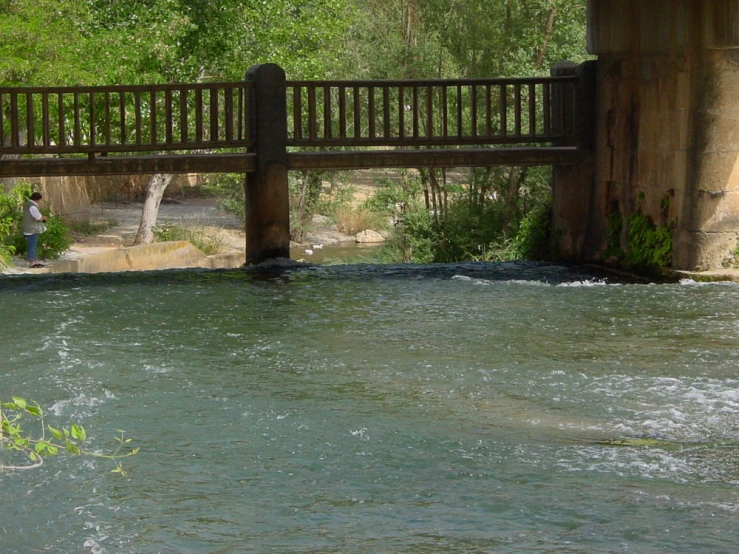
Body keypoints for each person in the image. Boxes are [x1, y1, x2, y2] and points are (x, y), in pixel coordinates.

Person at [22, 192, 48, 268]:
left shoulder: (27, 204)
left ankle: (34, 261)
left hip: (27, 228)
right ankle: (32, 263)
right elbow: (39, 217)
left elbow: (30, 217)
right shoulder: (33, 207)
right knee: (32, 246)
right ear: (38, 199)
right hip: (32, 229)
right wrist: (44, 218)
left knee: (31, 245)